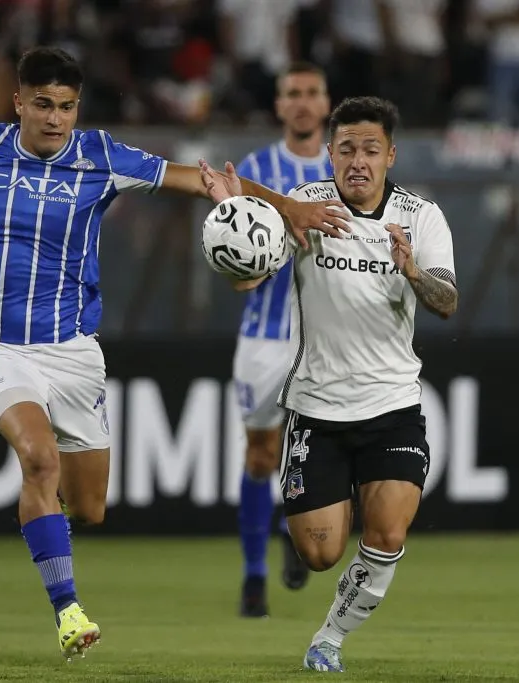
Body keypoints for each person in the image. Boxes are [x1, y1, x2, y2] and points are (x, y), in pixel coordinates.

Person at [0, 46, 350, 661]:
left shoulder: (100, 156)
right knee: (37, 459)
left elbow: (197, 177)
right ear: (19, 102)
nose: (55, 119)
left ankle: (49, 527)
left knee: (90, 506)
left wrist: (279, 204)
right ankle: (68, 610)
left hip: (73, 348)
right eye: (44, 105)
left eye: (67, 107)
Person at [202, 96, 458, 672]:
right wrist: (234, 216)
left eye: (370, 150)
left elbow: (447, 301)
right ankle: (311, 549)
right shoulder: (308, 209)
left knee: (388, 534)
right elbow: (252, 277)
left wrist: (414, 271)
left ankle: (329, 639)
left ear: (390, 155)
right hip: (318, 407)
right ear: (330, 154)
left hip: (393, 404)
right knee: (320, 553)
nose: (358, 162)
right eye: (346, 150)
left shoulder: (421, 217)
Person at [231, 61, 333, 618]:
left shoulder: (344, 171)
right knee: (261, 455)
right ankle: (253, 577)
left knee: (324, 452)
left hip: (326, 339)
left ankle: (299, 536)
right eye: (292, 93)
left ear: (326, 103)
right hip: (264, 339)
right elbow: (228, 252)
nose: (301, 102)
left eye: (311, 93)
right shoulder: (255, 169)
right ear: (278, 105)